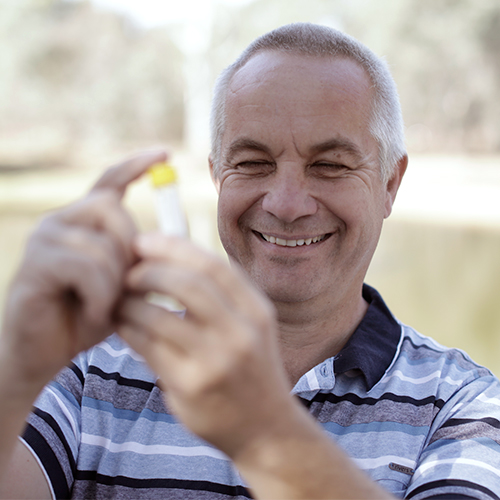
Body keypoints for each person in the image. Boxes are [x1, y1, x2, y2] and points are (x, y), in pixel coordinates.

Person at [0, 22, 499, 500]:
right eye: (253, 163)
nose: (285, 203)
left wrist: (262, 434)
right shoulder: (87, 367)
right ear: (218, 176)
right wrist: (17, 366)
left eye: (329, 165)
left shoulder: (466, 405)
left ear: (390, 183)